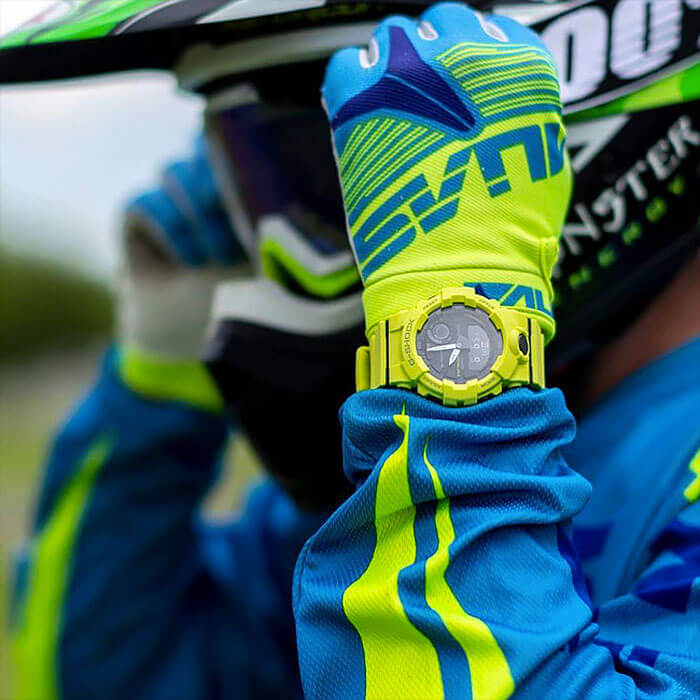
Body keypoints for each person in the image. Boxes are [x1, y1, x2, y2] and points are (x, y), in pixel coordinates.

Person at [9, 3, 700, 700]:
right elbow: (96, 676)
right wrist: (158, 382)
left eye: (357, 165)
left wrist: (456, 339)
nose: (274, 256)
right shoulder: (443, 463)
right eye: (250, 175)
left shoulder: (462, 457)